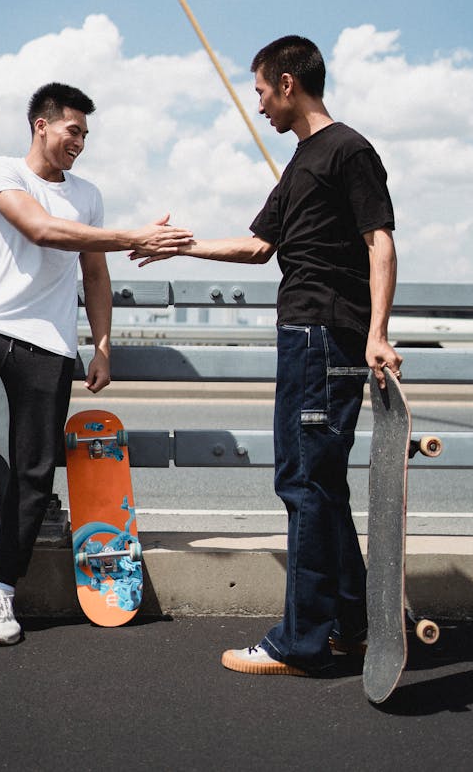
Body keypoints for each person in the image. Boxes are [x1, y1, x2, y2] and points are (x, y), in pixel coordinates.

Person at [132, 35, 402, 676]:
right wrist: (182, 247)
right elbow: (258, 247)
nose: (257, 106)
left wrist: (378, 332)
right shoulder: (303, 162)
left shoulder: (348, 150)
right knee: (322, 484)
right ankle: (351, 624)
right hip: (306, 335)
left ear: (287, 83)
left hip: (324, 335)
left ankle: (299, 642)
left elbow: (381, 244)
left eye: (258, 91)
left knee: (303, 484)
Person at [0, 82, 192, 646]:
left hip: (49, 345)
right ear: (42, 124)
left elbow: (95, 273)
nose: (80, 141)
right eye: (73, 130)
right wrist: (132, 234)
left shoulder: (87, 194)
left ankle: (2, 594)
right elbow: (40, 229)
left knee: (35, 473)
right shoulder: (1, 170)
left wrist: (102, 344)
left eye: (86, 133)